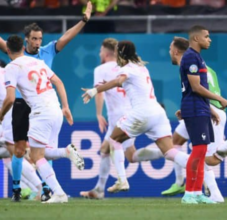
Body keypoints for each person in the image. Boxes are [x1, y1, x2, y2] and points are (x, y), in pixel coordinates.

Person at [0, 2, 92, 202]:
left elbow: (67, 36)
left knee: (38, 153)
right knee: (21, 149)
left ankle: (50, 190)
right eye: (34, 39)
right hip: (24, 105)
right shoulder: (25, 58)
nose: (37, 42)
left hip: (39, 107)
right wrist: (64, 106)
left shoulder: (46, 53)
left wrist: (83, 20)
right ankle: (19, 189)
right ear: (25, 41)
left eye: (40, 39)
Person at [82, 40, 190, 203]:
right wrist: (106, 85)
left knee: (113, 140)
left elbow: (119, 81)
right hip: (158, 113)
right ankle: (199, 166)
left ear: (121, 53)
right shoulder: (141, 67)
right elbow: (124, 84)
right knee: (170, 152)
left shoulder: (126, 69)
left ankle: (122, 180)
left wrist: (95, 90)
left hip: (141, 113)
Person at [0, 35, 74, 203]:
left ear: (8, 51)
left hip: (40, 112)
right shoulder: (38, 63)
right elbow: (59, 82)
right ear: (23, 48)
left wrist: (1, 115)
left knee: (36, 156)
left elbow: (10, 99)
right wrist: (66, 107)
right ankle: (65, 153)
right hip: (55, 109)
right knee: (40, 153)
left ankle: (58, 193)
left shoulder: (12, 67)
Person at [177, 25, 227, 204]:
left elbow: (199, 89)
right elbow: (196, 87)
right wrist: (219, 99)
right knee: (198, 151)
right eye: (207, 36)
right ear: (196, 39)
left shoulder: (197, 57)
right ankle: (189, 193)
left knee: (202, 151)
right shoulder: (191, 57)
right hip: (194, 109)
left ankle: (197, 192)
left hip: (201, 108)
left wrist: (210, 110)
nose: (210, 39)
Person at [80, 38, 134, 199]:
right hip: (131, 112)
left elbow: (99, 91)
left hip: (117, 116)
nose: (99, 53)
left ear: (106, 53)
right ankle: (99, 189)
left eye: (100, 51)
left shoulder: (101, 69)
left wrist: (98, 113)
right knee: (107, 150)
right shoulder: (126, 67)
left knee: (128, 154)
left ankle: (172, 154)